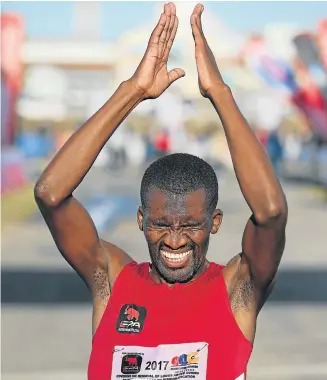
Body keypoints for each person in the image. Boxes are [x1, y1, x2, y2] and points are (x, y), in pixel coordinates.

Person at [34, 3, 287, 380]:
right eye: (160, 224)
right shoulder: (112, 281)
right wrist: (132, 91)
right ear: (141, 220)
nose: (174, 240)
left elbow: (270, 213)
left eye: (189, 225)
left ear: (214, 222)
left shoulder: (237, 289)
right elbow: (50, 193)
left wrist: (219, 92)